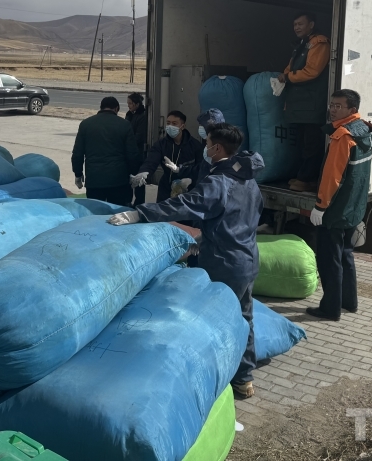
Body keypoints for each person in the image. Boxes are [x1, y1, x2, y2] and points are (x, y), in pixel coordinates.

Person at [108, 123, 264, 399]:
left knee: (212, 319)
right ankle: (244, 378)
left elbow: (185, 204)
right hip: (247, 257)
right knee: (243, 316)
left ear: (217, 148)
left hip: (223, 261)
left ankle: (211, 378)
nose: (206, 148)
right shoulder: (247, 179)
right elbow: (244, 216)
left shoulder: (220, 182)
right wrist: (210, 234)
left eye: (208, 144)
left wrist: (141, 214)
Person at [306, 89, 372, 322]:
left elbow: (331, 177)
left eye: (338, 106)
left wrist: (320, 206)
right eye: (332, 105)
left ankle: (330, 308)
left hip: (336, 210)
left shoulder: (342, 137)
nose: (333, 110)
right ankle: (349, 301)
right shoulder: (365, 129)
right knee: (346, 254)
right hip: (353, 207)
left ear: (352, 110)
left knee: (329, 260)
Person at [277, 12, 330, 192]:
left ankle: (307, 178)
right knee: (302, 142)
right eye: (295, 25)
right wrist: (284, 75)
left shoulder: (319, 43)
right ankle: (305, 176)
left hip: (312, 104)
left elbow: (312, 71)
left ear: (311, 24)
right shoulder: (301, 44)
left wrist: (288, 77)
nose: (297, 27)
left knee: (312, 143)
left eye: (300, 24)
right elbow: (289, 68)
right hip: (300, 105)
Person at [71, 96, 142, 206]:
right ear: (116, 108)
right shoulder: (124, 125)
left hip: (94, 179)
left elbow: (77, 153)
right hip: (118, 180)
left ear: (101, 107)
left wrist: (78, 173)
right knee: (117, 212)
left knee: (95, 211)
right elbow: (132, 154)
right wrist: (133, 173)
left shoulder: (85, 124)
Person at [131, 110, 204, 203]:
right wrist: (144, 172)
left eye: (174, 123)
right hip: (166, 187)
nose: (170, 126)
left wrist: (191, 180)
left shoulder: (195, 145)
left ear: (183, 126)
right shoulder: (161, 144)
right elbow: (151, 161)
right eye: (168, 123)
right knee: (163, 210)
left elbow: (201, 167)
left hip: (187, 187)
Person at [125, 93, 149, 205]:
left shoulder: (142, 116)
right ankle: (128, 201)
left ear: (137, 104)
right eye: (128, 103)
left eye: (130, 103)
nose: (128, 105)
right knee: (128, 180)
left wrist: (128, 142)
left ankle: (139, 203)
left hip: (138, 154)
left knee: (138, 181)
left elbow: (139, 136)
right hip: (128, 153)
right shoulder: (129, 115)